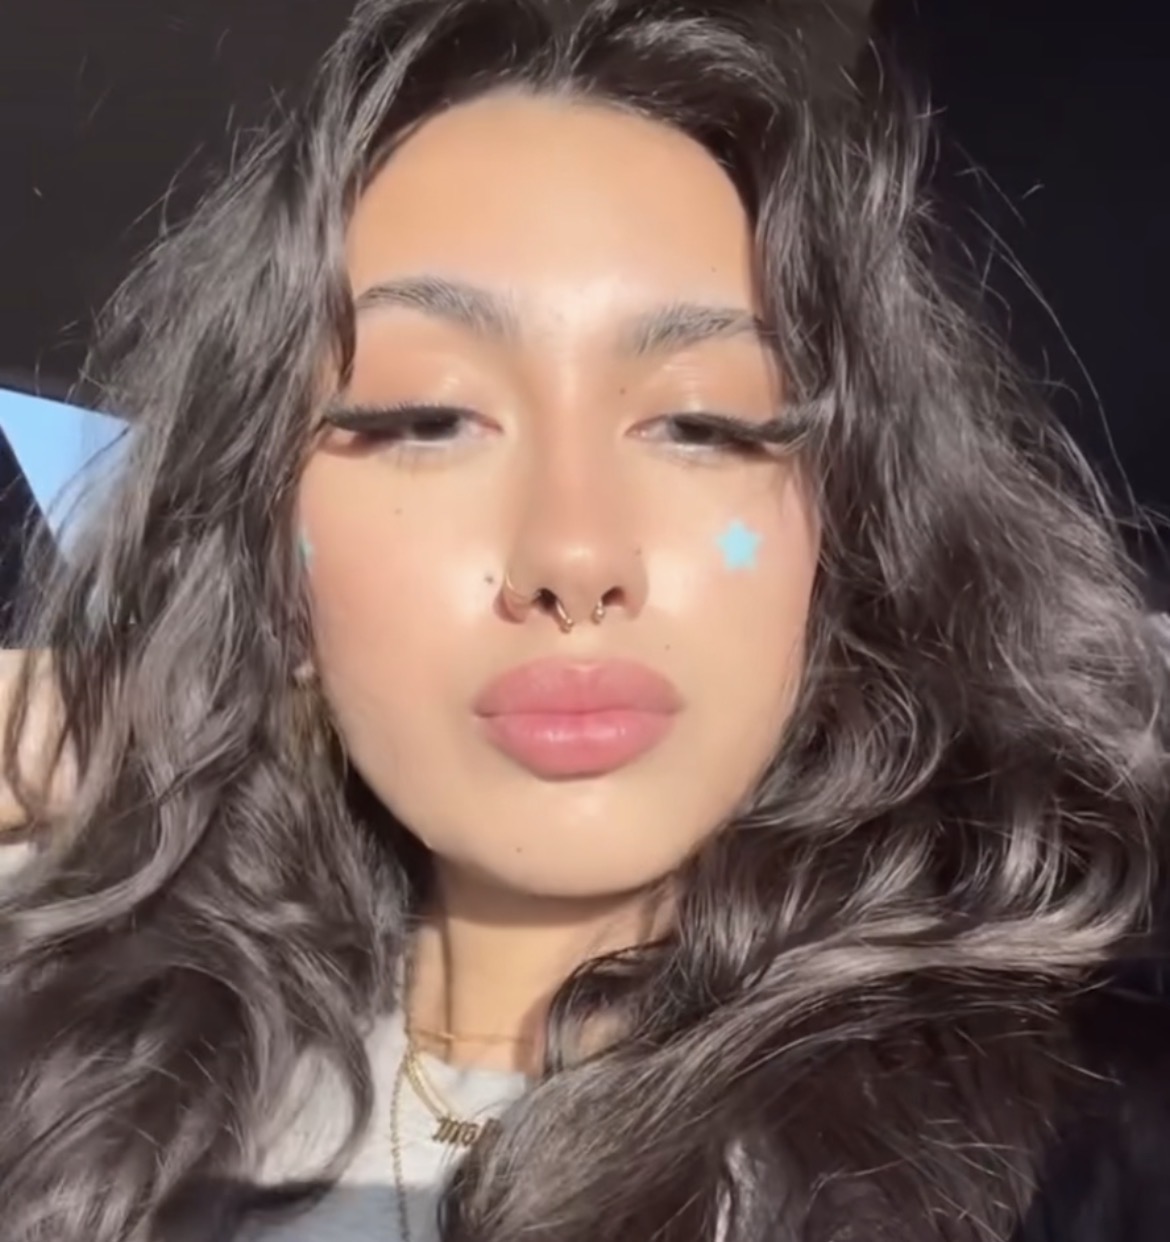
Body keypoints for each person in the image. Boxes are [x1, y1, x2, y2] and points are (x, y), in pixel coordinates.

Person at [2, 0, 1169, 1239]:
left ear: (842, 549)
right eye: (425, 420)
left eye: (704, 424)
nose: (573, 554)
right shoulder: (69, 1072)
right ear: (271, 563)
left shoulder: (1072, 1139)